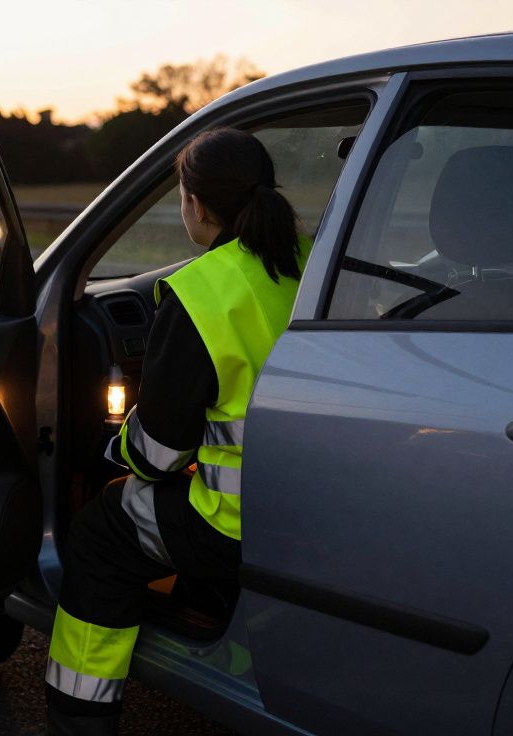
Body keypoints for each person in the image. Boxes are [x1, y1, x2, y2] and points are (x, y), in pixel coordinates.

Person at [44, 127, 312, 735]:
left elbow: (160, 455)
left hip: (235, 523)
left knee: (101, 532)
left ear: (194, 204)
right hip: (308, 505)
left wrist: (118, 446)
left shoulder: (200, 294)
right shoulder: (311, 262)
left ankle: (79, 716)